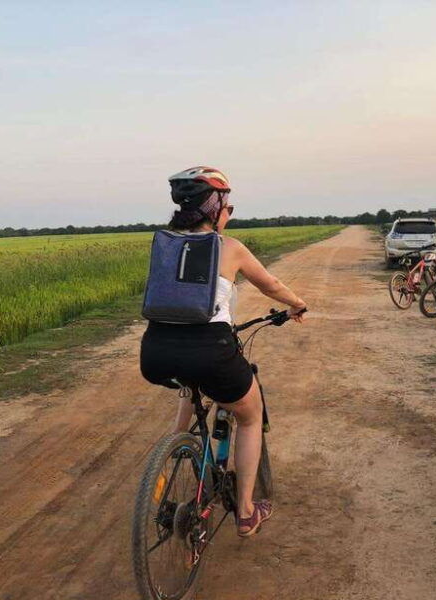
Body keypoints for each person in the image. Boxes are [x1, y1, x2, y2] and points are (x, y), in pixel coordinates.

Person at [140, 166, 308, 537]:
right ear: (215, 209)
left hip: (154, 352)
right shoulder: (228, 248)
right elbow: (272, 285)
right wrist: (297, 304)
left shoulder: (163, 245)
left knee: (191, 381)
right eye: (227, 207)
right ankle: (246, 512)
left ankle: (174, 450)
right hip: (209, 349)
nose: (229, 214)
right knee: (249, 416)